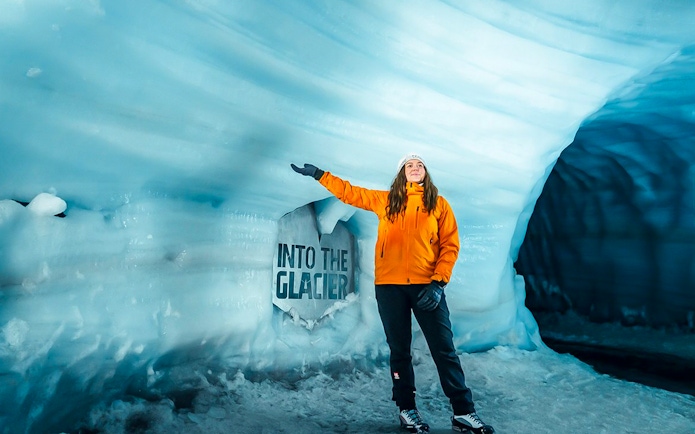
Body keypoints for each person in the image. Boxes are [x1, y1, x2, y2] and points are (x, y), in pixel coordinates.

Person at [291, 154, 494, 434]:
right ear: (402, 173)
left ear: (425, 173)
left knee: (444, 350)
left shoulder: (438, 204)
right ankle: (406, 410)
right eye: (409, 165)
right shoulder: (386, 200)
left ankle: (464, 412)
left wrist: (438, 283)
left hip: (427, 286)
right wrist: (320, 174)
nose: (414, 168)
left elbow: (450, 245)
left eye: (419, 165)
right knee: (399, 351)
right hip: (390, 287)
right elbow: (351, 194)